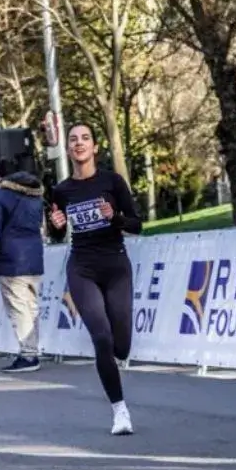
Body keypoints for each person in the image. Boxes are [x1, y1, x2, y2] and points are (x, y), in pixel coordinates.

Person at [47, 123, 142, 436]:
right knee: (101, 337)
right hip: (82, 267)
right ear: (69, 149)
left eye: (84, 138)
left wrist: (113, 217)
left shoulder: (112, 181)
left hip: (115, 264)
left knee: (122, 346)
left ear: (94, 147)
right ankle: (120, 410)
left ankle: (117, 359)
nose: (78, 144)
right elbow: (57, 232)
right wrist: (57, 224)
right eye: (73, 139)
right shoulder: (62, 190)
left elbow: (136, 224)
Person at [0, 158, 46, 373]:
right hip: (34, 258)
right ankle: (33, 349)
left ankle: (28, 355)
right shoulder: (36, 196)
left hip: (10, 260)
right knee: (31, 306)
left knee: (18, 307)